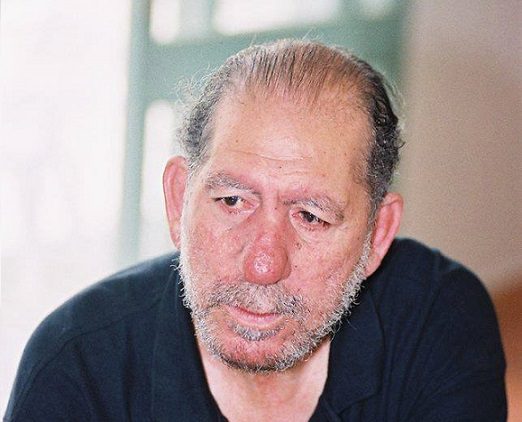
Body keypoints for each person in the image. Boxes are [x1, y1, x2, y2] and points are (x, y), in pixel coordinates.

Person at [5, 39, 506, 421]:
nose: (263, 265)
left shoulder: (438, 322)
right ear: (179, 199)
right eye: (232, 201)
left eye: (310, 216)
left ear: (377, 235)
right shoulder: (76, 366)